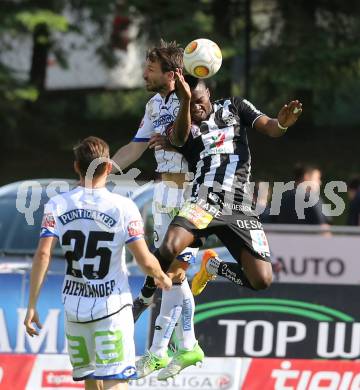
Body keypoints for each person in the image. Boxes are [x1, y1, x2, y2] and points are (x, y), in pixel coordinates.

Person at [137, 72, 303, 332]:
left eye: (199, 101)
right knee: (169, 246)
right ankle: (144, 298)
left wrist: (281, 124)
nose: (196, 108)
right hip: (205, 200)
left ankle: (214, 266)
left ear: (210, 94)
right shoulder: (181, 126)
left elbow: (270, 127)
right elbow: (177, 139)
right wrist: (184, 105)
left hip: (239, 206)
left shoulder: (235, 107)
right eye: (189, 104)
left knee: (261, 280)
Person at [24, 136, 172, 390]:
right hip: (112, 307)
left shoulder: (57, 204)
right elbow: (144, 259)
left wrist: (32, 305)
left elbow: (43, 255)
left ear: (76, 167)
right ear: (108, 167)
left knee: (91, 380)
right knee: (116, 380)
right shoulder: (124, 206)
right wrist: (162, 275)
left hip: (75, 308)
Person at [111, 41, 204, 380]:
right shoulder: (153, 105)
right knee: (173, 276)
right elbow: (136, 147)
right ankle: (188, 344)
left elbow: (205, 142)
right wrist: (105, 169)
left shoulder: (196, 100)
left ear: (171, 74)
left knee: (174, 273)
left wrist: (175, 138)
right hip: (164, 192)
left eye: (150, 69)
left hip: (192, 194)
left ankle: (158, 351)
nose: (143, 73)